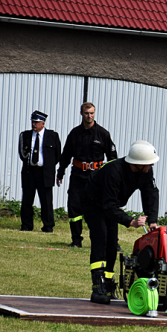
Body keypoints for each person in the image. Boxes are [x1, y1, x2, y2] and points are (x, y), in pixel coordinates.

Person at [82, 140, 160, 304]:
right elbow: (108, 205)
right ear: (138, 163)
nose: (151, 165)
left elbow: (150, 193)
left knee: (112, 244)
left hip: (111, 205)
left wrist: (152, 220)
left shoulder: (145, 172)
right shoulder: (114, 171)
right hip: (93, 203)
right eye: (148, 163)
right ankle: (98, 286)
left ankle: (108, 283)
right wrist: (130, 221)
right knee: (100, 238)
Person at [57, 102, 117, 248]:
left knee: (104, 208)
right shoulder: (74, 133)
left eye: (91, 113)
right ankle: (76, 240)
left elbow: (112, 158)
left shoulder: (103, 134)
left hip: (96, 177)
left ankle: (112, 242)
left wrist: (114, 177)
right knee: (74, 207)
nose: (89, 116)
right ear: (81, 113)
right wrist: (60, 172)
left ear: (94, 114)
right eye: (86, 113)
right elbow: (66, 155)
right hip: (77, 176)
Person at [17, 110, 61, 233]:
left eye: (36, 122)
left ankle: (48, 226)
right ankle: (26, 225)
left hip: (45, 172)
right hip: (29, 171)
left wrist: (48, 166)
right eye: (32, 121)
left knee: (46, 201)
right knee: (27, 199)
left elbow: (57, 155)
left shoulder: (52, 136)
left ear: (43, 123)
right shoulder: (25, 135)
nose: (34, 124)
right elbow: (22, 153)